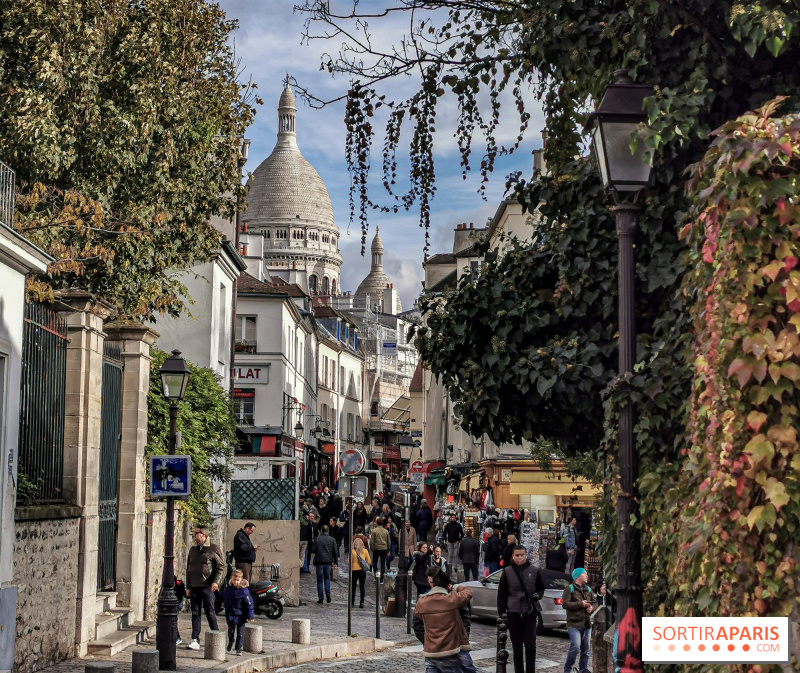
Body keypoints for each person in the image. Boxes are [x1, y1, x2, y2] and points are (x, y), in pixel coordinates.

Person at [413, 567, 478, 673]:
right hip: (449, 652)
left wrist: (426, 641)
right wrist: (456, 586)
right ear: (447, 585)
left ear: (433, 584)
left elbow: (417, 620)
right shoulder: (451, 599)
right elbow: (468, 592)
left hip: (431, 653)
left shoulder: (422, 601)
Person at [497, 545, 546, 673]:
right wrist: (502, 613)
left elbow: (541, 588)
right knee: (517, 647)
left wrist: (537, 595)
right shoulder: (507, 572)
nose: (520, 558)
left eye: (522, 555)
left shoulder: (534, 571)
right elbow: (502, 594)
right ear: (513, 557)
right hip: (513, 613)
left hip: (529, 613)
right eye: (517, 555)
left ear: (526, 555)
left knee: (530, 647)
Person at [185, 526, 224, 650]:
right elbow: (188, 569)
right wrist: (188, 586)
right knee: (195, 613)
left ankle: (216, 636)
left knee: (210, 612)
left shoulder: (213, 549)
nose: (194, 535)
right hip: (194, 585)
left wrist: (216, 582)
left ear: (203, 534)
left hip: (207, 586)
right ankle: (195, 639)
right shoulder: (193, 549)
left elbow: (220, 567)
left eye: (196, 533)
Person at [562, 568, 597, 673]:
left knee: (586, 651)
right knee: (576, 647)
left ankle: (583, 670)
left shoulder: (588, 589)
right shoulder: (569, 589)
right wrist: (581, 604)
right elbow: (565, 604)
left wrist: (592, 608)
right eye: (584, 574)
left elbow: (595, 602)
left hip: (587, 624)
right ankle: (567, 669)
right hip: (574, 623)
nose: (587, 576)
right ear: (577, 576)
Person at [223, 569, 254, 656]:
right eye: (234, 580)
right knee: (231, 631)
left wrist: (250, 616)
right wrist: (216, 592)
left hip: (240, 615)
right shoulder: (228, 589)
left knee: (240, 633)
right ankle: (230, 642)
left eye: (237, 580)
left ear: (241, 580)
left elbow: (249, 604)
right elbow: (223, 598)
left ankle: (238, 648)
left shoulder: (244, 591)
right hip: (230, 614)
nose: (235, 582)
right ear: (231, 579)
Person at [312, 524, 339, 604]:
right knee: (327, 579)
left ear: (321, 531)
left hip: (319, 562)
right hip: (328, 562)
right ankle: (328, 593)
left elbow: (313, 550)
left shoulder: (317, 539)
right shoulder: (332, 539)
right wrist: (335, 562)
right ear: (328, 531)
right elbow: (335, 552)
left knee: (319, 580)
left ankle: (321, 598)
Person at [350, 538, 371, 608]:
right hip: (362, 571)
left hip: (354, 570)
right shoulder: (365, 551)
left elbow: (348, 561)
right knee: (362, 587)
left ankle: (352, 600)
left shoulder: (352, 551)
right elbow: (369, 561)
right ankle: (362, 602)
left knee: (353, 587)